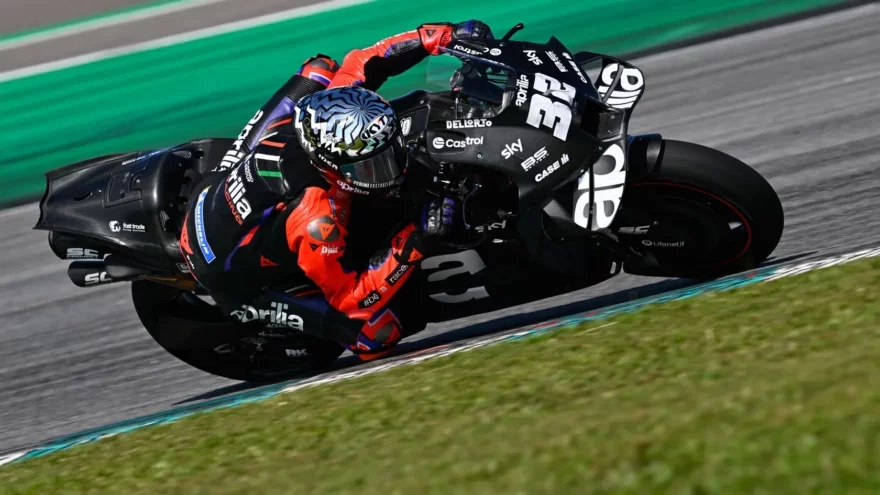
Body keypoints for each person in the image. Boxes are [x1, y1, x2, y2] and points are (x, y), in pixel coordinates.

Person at [179, 20, 494, 360]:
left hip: (220, 181)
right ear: (331, 168)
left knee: (320, 67)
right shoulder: (316, 219)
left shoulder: (329, 104)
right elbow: (350, 299)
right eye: (372, 166)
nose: (392, 168)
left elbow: (366, 59)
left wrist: (440, 37)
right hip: (222, 271)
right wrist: (415, 239)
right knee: (378, 336)